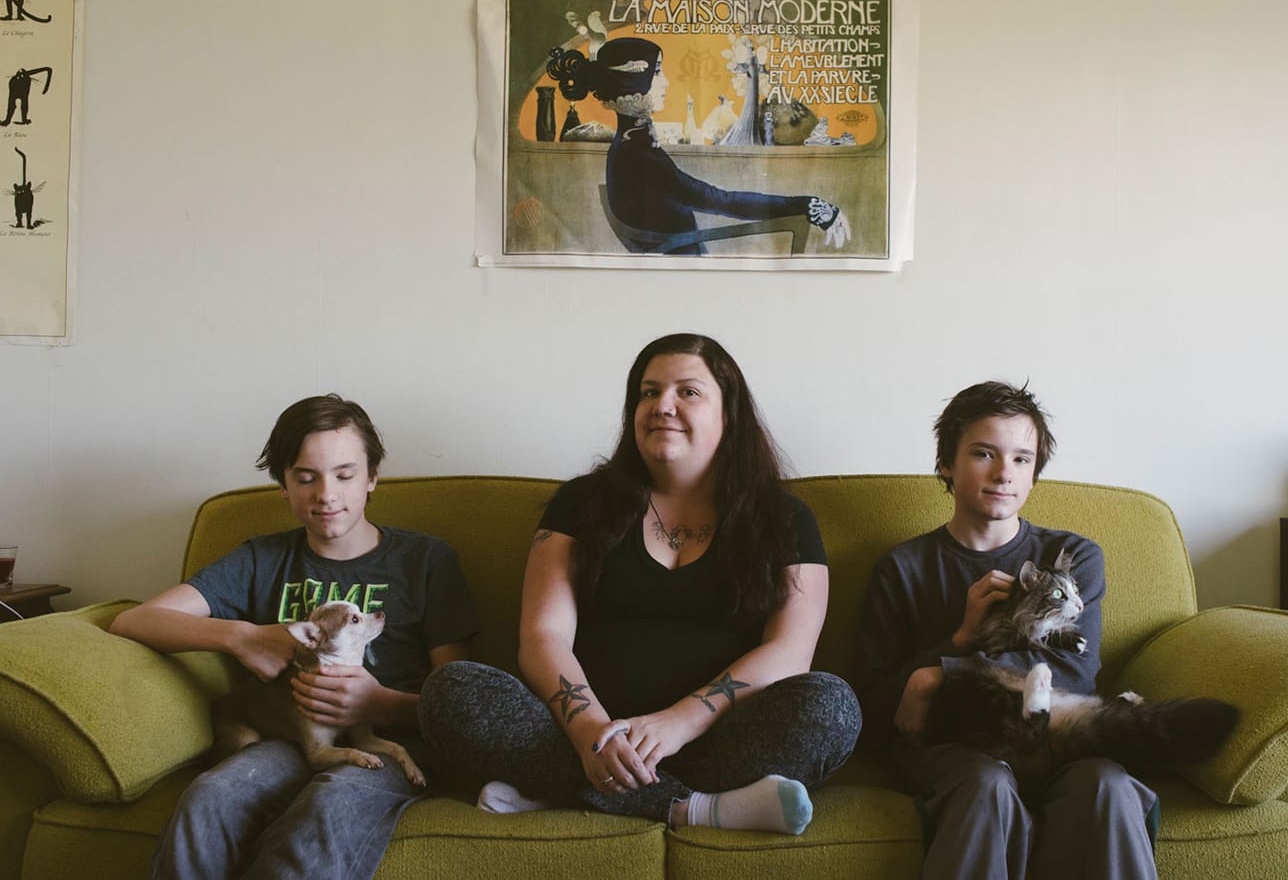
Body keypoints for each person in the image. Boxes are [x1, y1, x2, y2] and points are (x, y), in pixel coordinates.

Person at [419, 333, 860, 834]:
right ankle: (694, 808)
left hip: (718, 739)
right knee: (450, 692)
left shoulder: (784, 518)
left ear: (729, 413)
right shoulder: (581, 504)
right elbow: (544, 636)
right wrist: (589, 732)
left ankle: (559, 792)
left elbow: (790, 652)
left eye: (687, 392)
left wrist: (679, 721)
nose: (662, 406)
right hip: (578, 736)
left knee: (831, 706)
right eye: (648, 393)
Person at [109, 394, 479, 880]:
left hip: (389, 741)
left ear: (372, 478)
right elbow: (132, 622)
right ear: (283, 485)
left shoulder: (425, 561)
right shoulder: (261, 560)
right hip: (287, 739)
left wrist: (381, 704)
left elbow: (460, 696)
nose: (326, 494)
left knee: (324, 811)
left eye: (345, 475)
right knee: (208, 798)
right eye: (306, 477)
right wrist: (241, 637)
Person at [858, 381, 1159, 880]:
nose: (1004, 473)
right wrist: (959, 640)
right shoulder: (903, 567)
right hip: (959, 751)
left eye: (1022, 459)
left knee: (1107, 783)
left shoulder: (1073, 557)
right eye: (983, 453)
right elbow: (875, 703)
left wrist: (940, 675)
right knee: (985, 785)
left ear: (1035, 473)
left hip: (1060, 740)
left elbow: (1074, 673)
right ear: (946, 465)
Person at [546, 38, 853, 254]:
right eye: (656, 73)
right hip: (683, 271)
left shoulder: (633, 147)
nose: (666, 82)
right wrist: (808, 206)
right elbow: (724, 201)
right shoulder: (639, 157)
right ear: (633, 85)